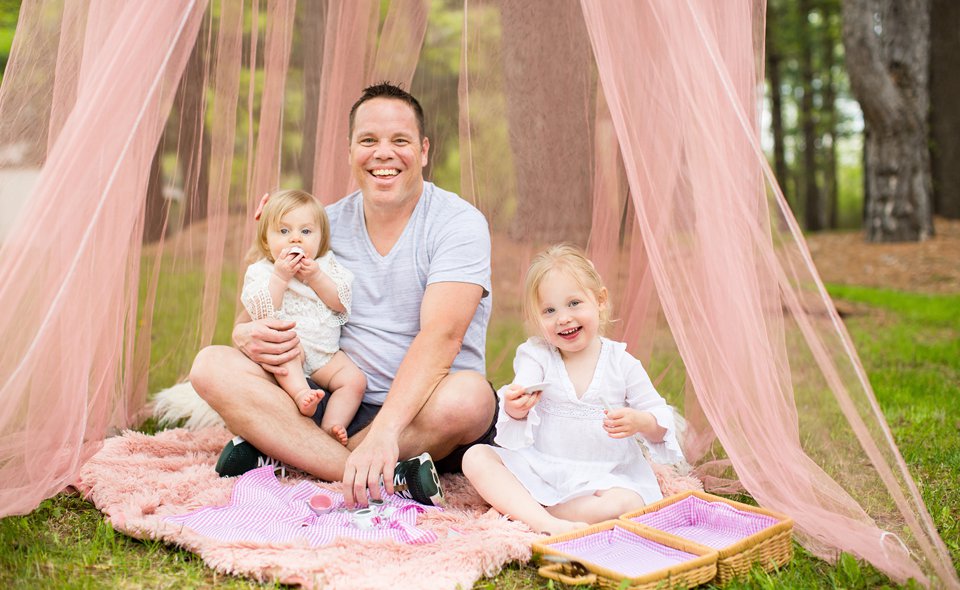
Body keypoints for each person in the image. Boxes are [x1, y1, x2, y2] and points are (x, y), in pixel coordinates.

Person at [189, 83, 496, 508]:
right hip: (328, 403)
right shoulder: (322, 225)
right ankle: (371, 471)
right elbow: (257, 308)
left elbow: (442, 338)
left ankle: (291, 452)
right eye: (368, 140)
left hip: (420, 411)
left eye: (400, 141)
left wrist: (387, 430)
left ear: (423, 150)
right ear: (350, 150)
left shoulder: (458, 223)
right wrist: (244, 336)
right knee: (210, 365)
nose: (383, 153)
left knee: (472, 398)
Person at [462, 244, 684, 535]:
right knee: (476, 457)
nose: (563, 318)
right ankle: (547, 523)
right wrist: (516, 408)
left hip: (603, 476)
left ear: (600, 301)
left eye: (574, 303)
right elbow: (521, 393)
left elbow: (658, 419)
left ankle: (532, 509)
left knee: (628, 503)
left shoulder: (622, 363)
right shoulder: (537, 355)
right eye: (549, 310)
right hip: (543, 467)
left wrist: (640, 421)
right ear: (537, 319)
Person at [241, 189, 365, 445]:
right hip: (290, 350)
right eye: (284, 232)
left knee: (354, 381)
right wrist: (280, 278)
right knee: (286, 355)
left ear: (321, 240)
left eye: (306, 232)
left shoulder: (327, 264)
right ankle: (301, 395)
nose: (295, 239)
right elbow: (261, 313)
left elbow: (341, 303)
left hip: (326, 354)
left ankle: (332, 426)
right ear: (266, 241)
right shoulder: (262, 271)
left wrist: (316, 277)